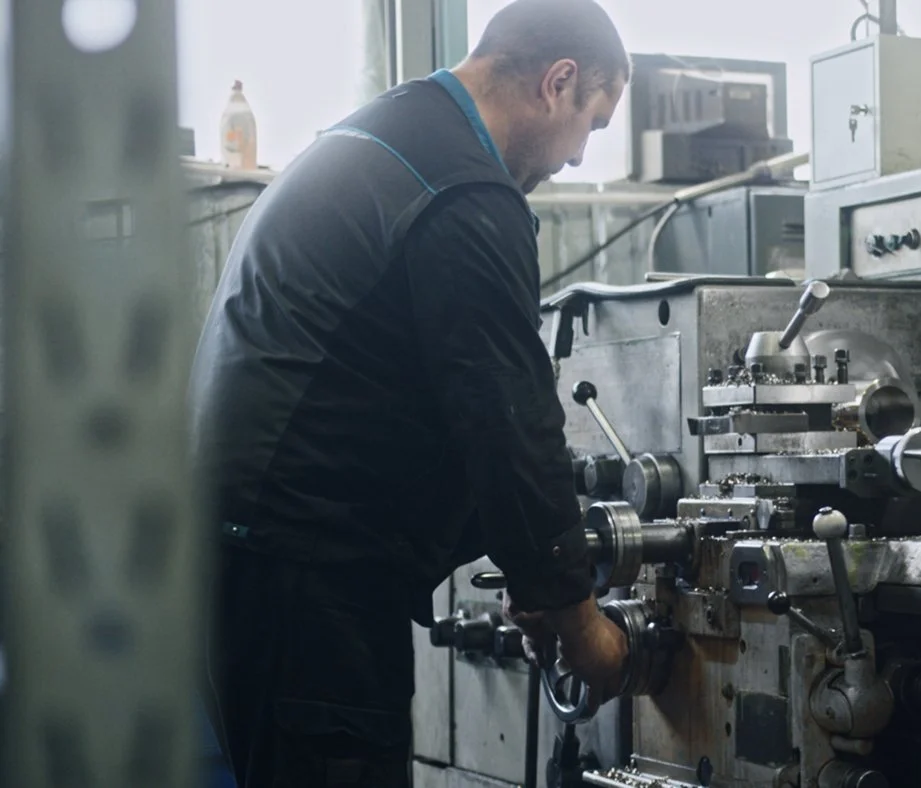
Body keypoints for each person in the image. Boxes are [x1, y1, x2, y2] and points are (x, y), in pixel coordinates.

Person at [189, 2, 631, 786]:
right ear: (557, 83)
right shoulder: (461, 188)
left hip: (253, 562)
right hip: (310, 581)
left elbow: (410, 395)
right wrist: (580, 620)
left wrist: (535, 580)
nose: (575, 160)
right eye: (592, 126)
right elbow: (506, 422)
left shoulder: (390, 134)